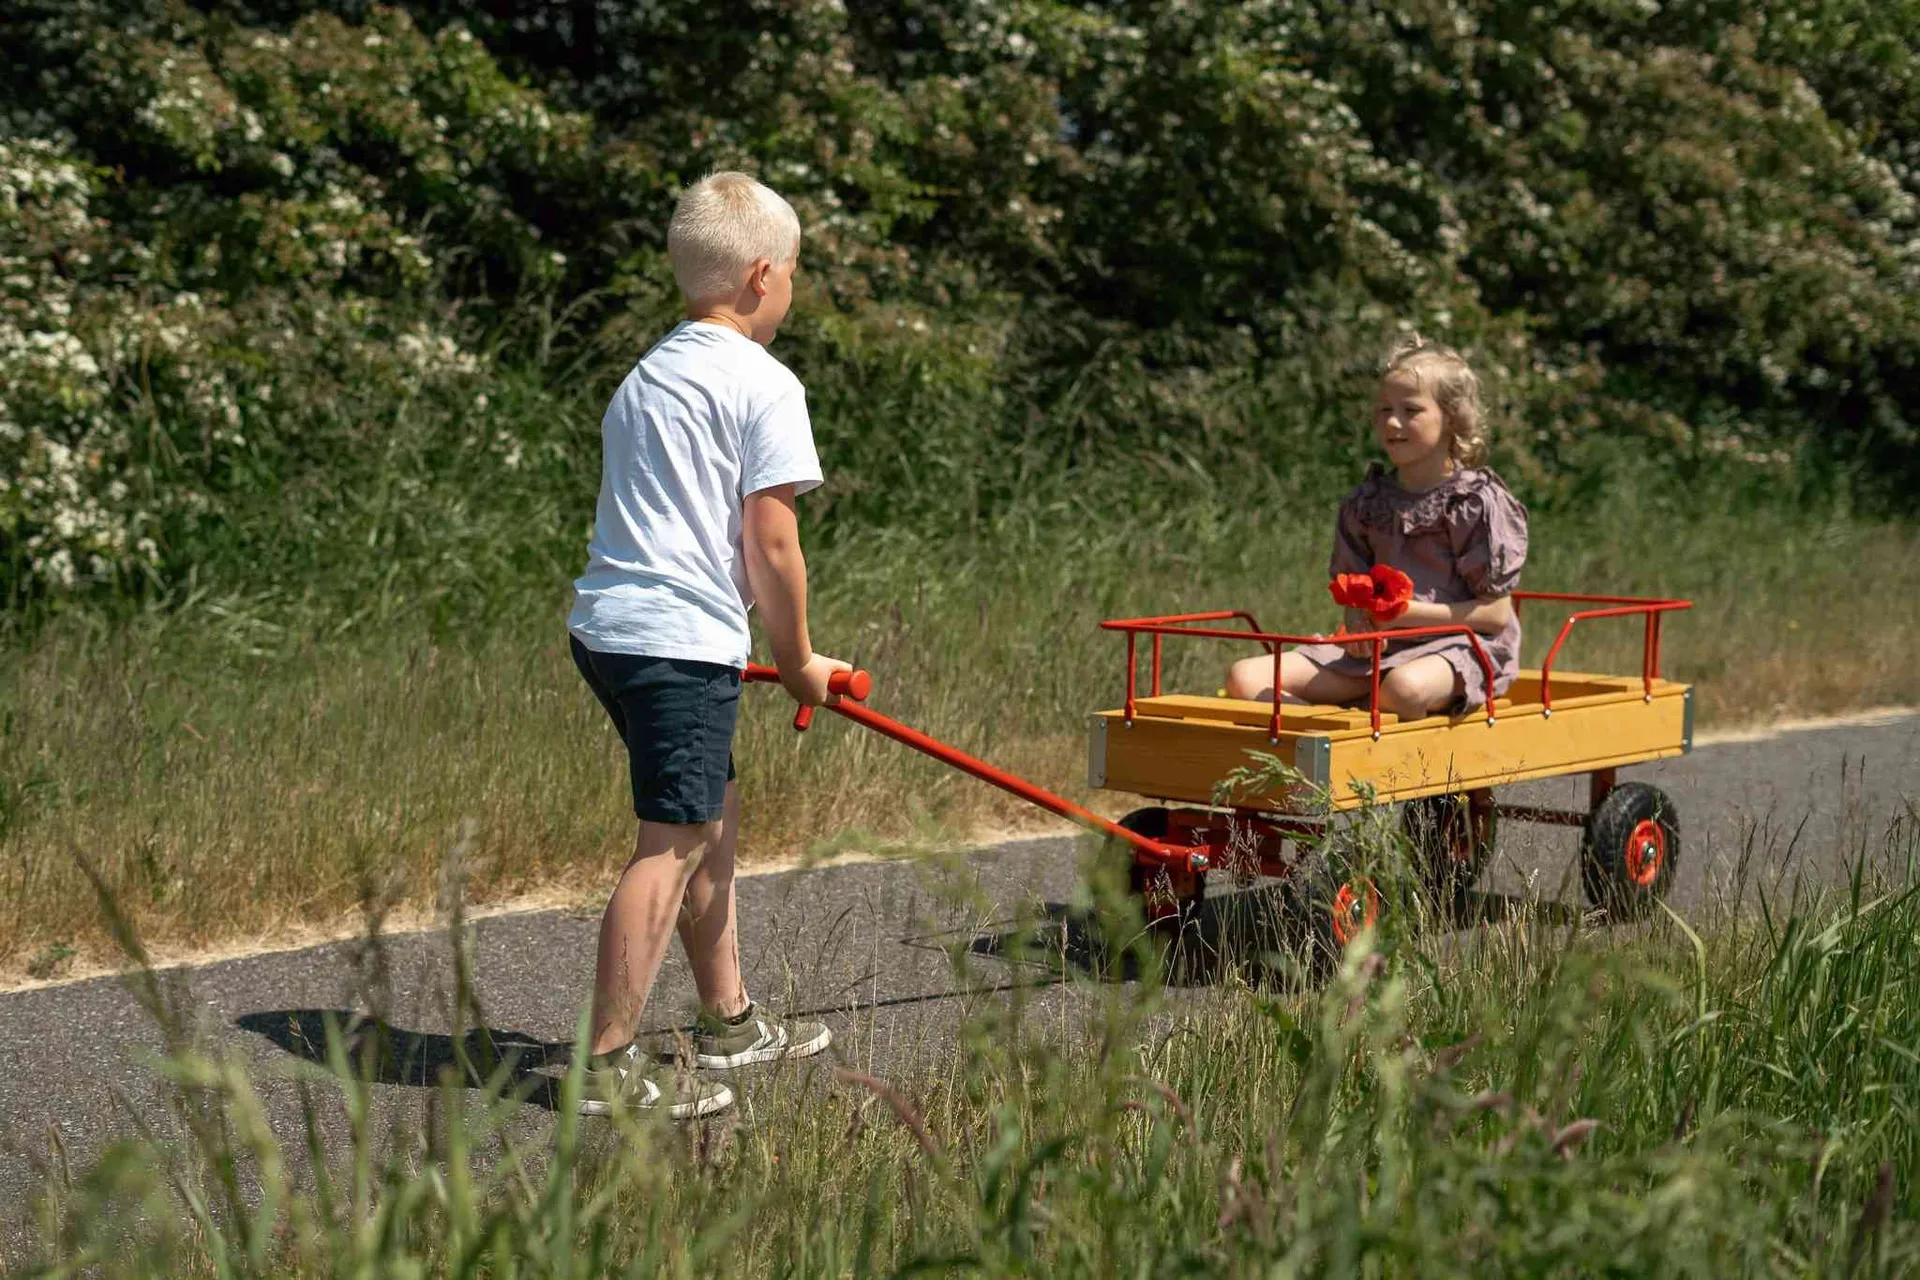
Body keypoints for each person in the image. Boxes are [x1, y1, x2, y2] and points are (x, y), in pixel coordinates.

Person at [567, 172, 848, 1118]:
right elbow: (770, 545)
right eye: (797, 273)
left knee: (710, 813)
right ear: (763, 275)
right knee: (676, 839)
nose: (795, 290)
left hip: (609, 632)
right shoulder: (764, 383)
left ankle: (728, 1019)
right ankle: (605, 1065)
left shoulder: (647, 376)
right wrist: (802, 659)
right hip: (678, 643)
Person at [1226, 334, 1529, 720]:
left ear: (1452, 418)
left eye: (1411, 410)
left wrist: (1407, 613)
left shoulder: (1474, 502)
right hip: (1381, 650)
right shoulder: (1368, 503)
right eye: (1384, 409)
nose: (1392, 421)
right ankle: (1335, 743)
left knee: (1403, 689)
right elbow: (1355, 592)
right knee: (1245, 678)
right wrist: (1356, 618)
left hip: (1459, 649)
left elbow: (1495, 616)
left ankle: (1410, 766)